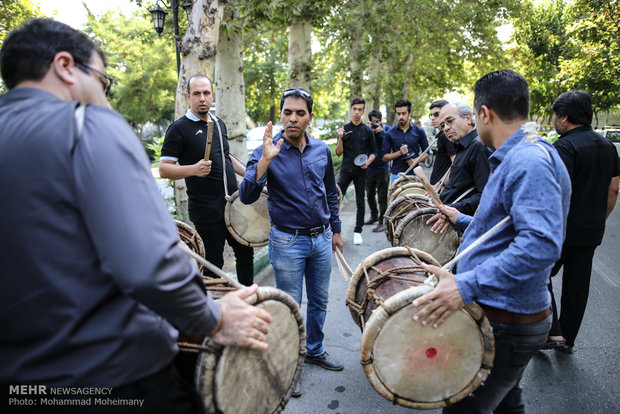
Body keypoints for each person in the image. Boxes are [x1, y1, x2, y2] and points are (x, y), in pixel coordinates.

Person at [0, 18, 271, 413]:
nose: (105, 99)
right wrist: (212, 316)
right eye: (103, 82)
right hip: (115, 377)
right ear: (64, 66)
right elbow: (147, 264)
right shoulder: (86, 126)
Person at [417, 69, 571, 413]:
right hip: (505, 316)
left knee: (463, 408)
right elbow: (510, 228)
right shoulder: (525, 154)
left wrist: (464, 286)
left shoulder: (529, 161)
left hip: (508, 321)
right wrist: (465, 220)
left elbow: (539, 246)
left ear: (484, 113)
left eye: (474, 113)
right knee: (506, 405)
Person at [239, 87, 345, 398]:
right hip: (287, 242)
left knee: (320, 301)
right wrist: (265, 162)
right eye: (288, 112)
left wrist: (336, 230)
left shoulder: (322, 150)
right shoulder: (265, 150)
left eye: (300, 113)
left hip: (322, 239)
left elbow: (330, 194)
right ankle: (287, 363)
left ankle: (314, 349)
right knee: (289, 307)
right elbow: (246, 196)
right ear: (281, 115)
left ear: (310, 117)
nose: (293, 118)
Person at [160, 74, 255, 286]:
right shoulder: (178, 129)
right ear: (188, 97)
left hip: (233, 206)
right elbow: (164, 169)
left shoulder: (218, 123)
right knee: (214, 264)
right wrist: (193, 169)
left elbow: (226, 156)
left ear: (212, 95)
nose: (202, 98)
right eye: (196, 93)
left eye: (206, 93)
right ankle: (218, 310)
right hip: (206, 211)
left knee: (246, 254)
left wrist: (251, 175)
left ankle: (247, 300)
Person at [543, 90, 619, 354]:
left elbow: (563, 190)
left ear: (564, 117)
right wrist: (600, 218)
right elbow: (614, 189)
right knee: (577, 285)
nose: (555, 121)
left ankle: (553, 333)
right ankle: (568, 340)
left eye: (556, 115)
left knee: (540, 274)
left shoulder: (564, 146)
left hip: (562, 229)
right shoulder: (608, 146)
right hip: (591, 229)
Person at [437, 102, 491, 215]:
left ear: (468, 118)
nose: (446, 128)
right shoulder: (461, 146)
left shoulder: (479, 147)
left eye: (450, 121)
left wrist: (452, 208)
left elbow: (486, 196)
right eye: (442, 126)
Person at [336, 98, 376, 245]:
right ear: (351, 110)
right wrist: (340, 137)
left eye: (360, 109)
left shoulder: (367, 130)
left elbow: (374, 152)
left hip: (361, 170)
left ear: (363, 111)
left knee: (360, 201)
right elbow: (338, 152)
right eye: (355, 109)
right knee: (336, 198)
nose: (357, 112)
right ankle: (333, 230)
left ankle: (358, 231)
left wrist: (368, 162)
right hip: (346, 169)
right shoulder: (344, 128)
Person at [382, 99, 429, 185]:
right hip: (397, 175)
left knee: (415, 198)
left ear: (409, 113)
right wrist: (399, 153)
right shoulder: (390, 133)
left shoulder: (419, 131)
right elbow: (384, 157)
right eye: (398, 114)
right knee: (396, 199)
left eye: (403, 113)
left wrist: (415, 160)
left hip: (415, 174)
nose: (401, 117)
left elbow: (427, 153)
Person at [365, 109, 391, 233]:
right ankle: (374, 216)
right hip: (369, 168)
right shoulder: (367, 130)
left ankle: (382, 221)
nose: (375, 124)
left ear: (381, 121)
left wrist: (381, 132)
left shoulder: (387, 130)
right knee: (369, 195)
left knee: (382, 198)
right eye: (372, 121)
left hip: (383, 169)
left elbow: (390, 142)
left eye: (377, 121)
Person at [428, 99, 457, 185]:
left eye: (436, 114)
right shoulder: (443, 134)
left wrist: (440, 184)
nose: (433, 118)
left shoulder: (446, 135)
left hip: (442, 189)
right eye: (431, 115)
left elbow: (456, 164)